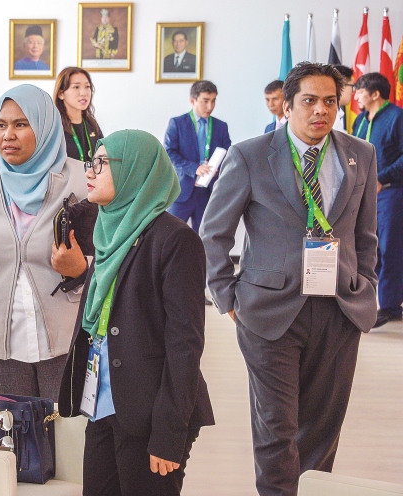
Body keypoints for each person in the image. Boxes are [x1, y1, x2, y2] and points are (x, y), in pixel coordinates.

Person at [201, 62, 378, 496]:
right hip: (268, 312)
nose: (321, 110)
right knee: (277, 428)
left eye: (330, 101)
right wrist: (228, 298)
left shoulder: (361, 154)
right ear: (286, 105)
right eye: (309, 101)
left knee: (323, 429)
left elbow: (366, 235)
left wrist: (366, 288)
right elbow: (213, 232)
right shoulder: (251, 154)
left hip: (339, 310)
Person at [59, 130, 214, 495]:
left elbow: (185, 344)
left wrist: (168, 433)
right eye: (91, 162)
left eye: (102, 163)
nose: (90, 171)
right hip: (103, 403)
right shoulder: (108, 230)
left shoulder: (175, 240)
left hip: (150, 412)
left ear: (136, 170)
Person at [0, 84, 88, 401]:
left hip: (66, 336)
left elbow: (105, 256)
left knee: (65, 430)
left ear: (45, 126)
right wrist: (1, 291)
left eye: (21, 124)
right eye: (1, 125)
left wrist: (80, 271)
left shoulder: (81, 181)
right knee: (5, 429)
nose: (8, 135)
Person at [352, 72, 403, 328]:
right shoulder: (360, 120)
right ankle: (368, 303)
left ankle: (391, 306)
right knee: (367, 249)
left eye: (360, 92)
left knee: (389, 248)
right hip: (364, 193)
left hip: (391, 192)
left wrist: (382, 178)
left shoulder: (397, 117)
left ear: (375, 94)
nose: (356, 97)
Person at [164, 80, 231, 233]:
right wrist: (195, 168)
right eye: (205, 101)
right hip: (182, 190)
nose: (210, 106)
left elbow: (229, 154)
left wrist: (219, 167)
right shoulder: (177, 123)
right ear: (192, 100)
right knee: (170, 233)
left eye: (213, 101)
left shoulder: (221, 126)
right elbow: (169, 152)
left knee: (204, 236)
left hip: (208, 192)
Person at [54, 66, 104, 162]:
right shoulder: (54, 126)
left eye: (87, 87)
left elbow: (103, 155)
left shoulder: (92, 123)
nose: (83, 93)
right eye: (76, 87)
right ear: (61, 94)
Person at [333, 64, 355, 133]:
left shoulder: (336, 113)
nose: (353, 91)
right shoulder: (330, 116)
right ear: (341, 86)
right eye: (352, 86)